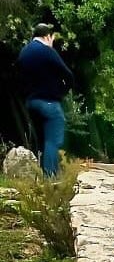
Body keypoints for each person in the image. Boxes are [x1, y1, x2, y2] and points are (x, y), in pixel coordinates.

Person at [17, 24, 73, 177]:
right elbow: (68, 76)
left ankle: (40, 176)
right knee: (52, 141)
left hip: (31, 103)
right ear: (47, 36)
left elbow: (20, 81)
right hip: (48, 103)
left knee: (40, 142)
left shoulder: (23, 53)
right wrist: (60, 93)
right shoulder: (47, 51)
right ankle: (51, 179)